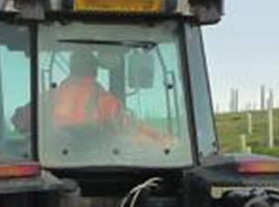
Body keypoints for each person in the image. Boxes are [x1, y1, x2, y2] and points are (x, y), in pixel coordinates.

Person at [13, 52, 169, 144]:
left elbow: (19, 120)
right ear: (94, 71)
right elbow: (129, 128)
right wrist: (160, 138)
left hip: (53, 166)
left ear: (72, 69)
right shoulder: (105, 101)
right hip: (97, 164)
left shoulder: (49, 98)